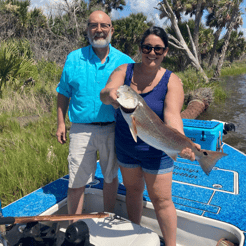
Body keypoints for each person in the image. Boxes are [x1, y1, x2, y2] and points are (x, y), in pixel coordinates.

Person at [100, 26, 199, 246]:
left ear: (165, 52)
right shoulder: (124, 70)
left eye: (158, 49)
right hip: (127, 148)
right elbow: (106, 94)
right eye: (147, 47)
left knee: (161, 200)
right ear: (140, 49)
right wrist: (111, 95)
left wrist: (182, 143)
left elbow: (172, 116)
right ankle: (137, 237)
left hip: (158, 150)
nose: (151, 53)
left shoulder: (172, 81)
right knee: (133, 193)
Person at [56, 10, 134, 218]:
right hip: (81, 130)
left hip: (113, 128)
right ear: (87, 29)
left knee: (110, 178)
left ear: (111, 30)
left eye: (104, 25)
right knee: (76, 181)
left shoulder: (125, 61)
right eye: (93, 25)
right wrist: (61, 123)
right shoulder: (74, 58)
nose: (99, 30)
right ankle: (74, 226)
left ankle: (105, 218)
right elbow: (63, 93)